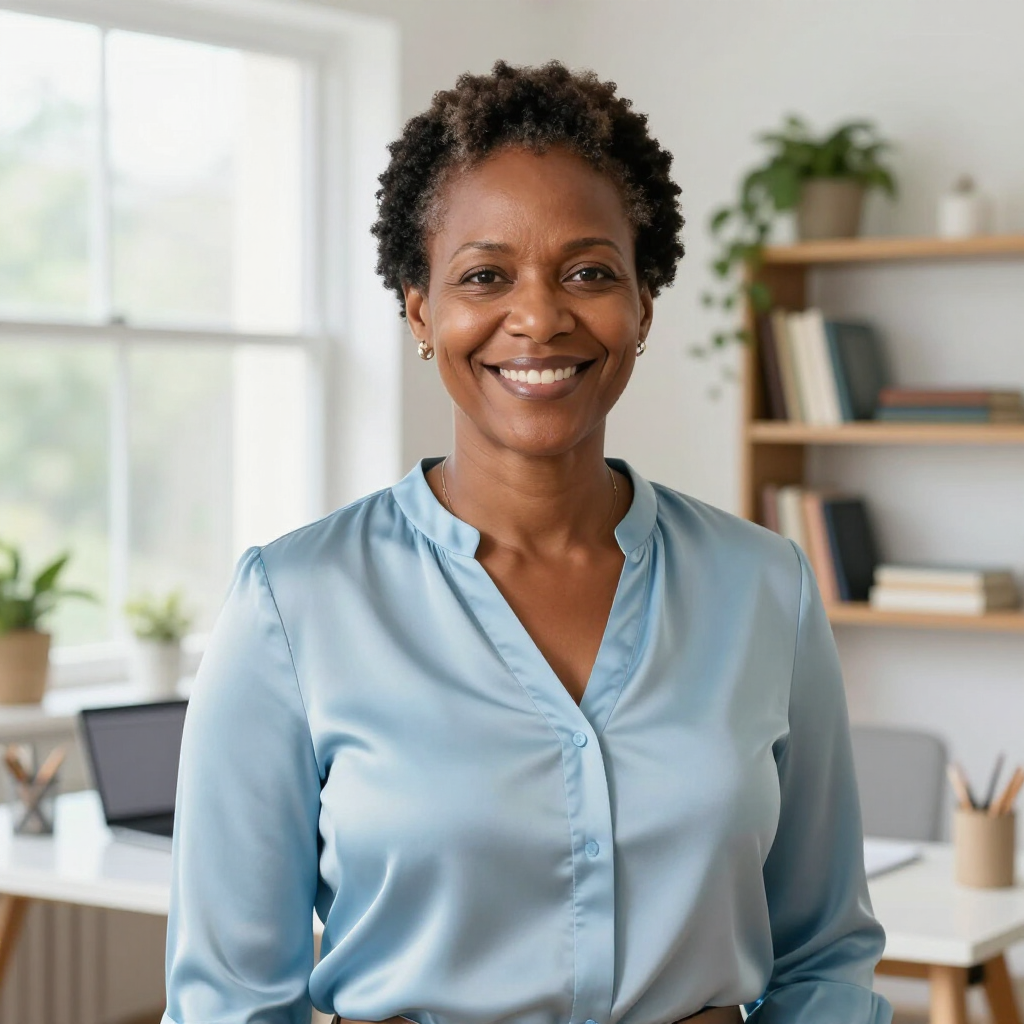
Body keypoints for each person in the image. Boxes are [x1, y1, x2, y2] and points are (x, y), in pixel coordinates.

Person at [162, 61, 892, 1024]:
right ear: (422, 311)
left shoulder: (765, 589)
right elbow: (229, 1004)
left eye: (589, 272)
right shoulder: (292, 607)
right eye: (484, 276)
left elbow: (826, 955)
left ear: (643, 305)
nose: (540, 316)